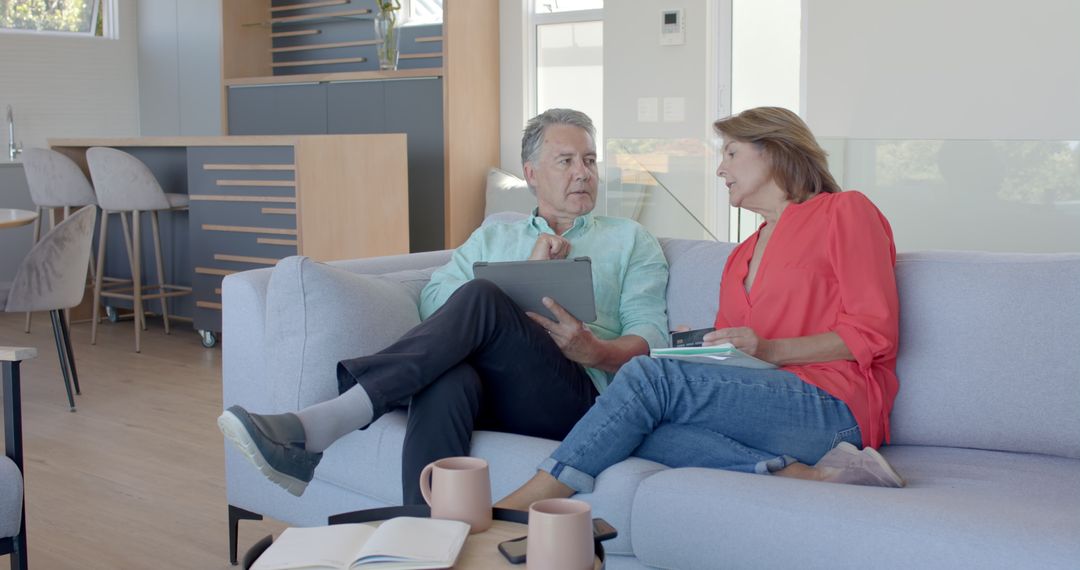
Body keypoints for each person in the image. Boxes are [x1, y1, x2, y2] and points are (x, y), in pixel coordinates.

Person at [218, 108, 670, 503]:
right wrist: (523, 269)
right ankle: (426, 537)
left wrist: (596, 351)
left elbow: (653, 338)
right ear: (531, 173)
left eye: (590, 161)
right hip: (494, 393)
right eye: (567, 161)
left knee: (481, 294)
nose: (583, 173)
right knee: (448, 373)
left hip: (576, 398)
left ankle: (328, 421)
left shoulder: (630, 239)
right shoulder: (495, 235)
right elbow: (434, 304)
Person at [496, 107, 905, 511]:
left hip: (834, 405)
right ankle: (800, 474)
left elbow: (874, 333)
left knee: (644, 380)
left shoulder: (844, 212)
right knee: (633, 423)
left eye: (730, 153)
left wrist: (770, 349)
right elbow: (738, 359)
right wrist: (698, 348)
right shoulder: (741, 256)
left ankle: (537, 495)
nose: (720, 170)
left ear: (775, 150)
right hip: (763, 405)